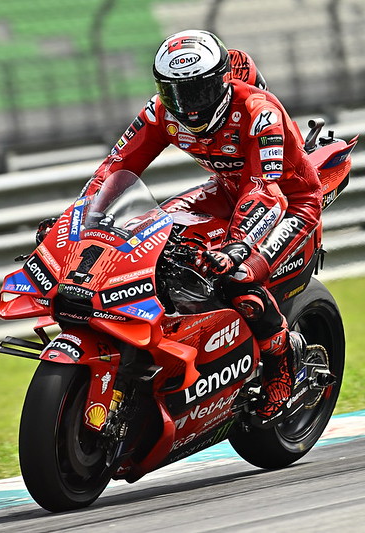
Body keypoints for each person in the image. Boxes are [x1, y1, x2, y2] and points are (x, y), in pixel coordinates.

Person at [83, 30, 322, 423]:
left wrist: (237, 246)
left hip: (290, 201)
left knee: (238, 277)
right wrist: (83, 215)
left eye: (198, 92)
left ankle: (282, 365)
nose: (188, 107)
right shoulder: (160, 113)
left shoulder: (259, 112)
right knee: (148, 237)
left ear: (223, 81)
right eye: (176, 93)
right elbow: (115, 167)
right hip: (225, 190)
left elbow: (265, 189)